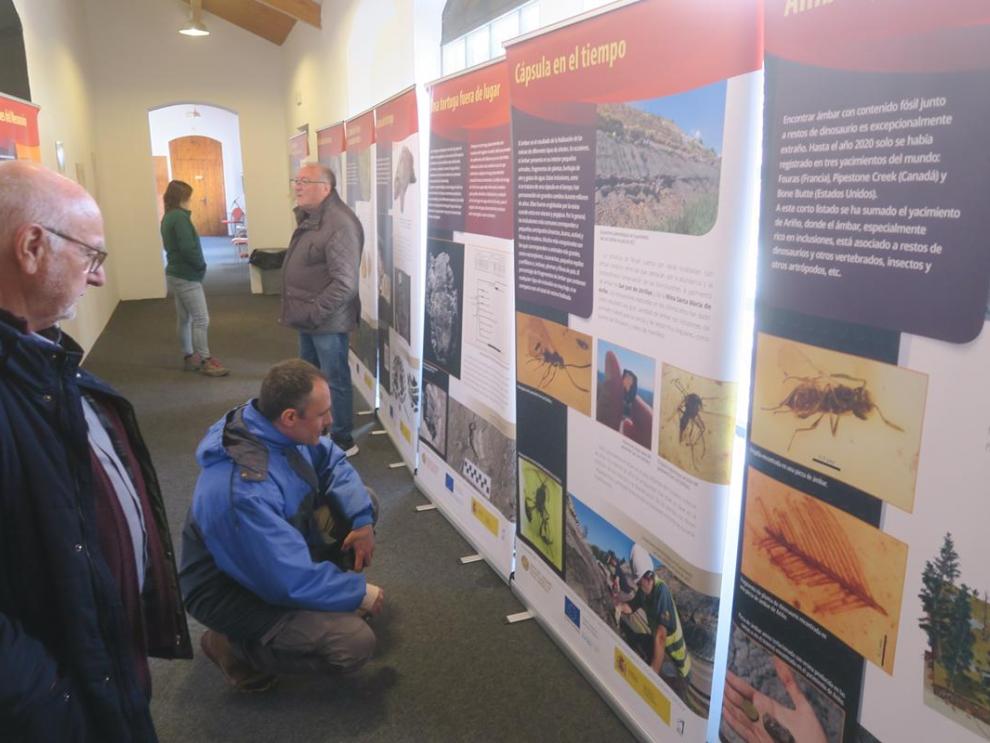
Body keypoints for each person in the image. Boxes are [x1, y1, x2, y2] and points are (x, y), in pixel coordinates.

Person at [0, 160, 192, 740]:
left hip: (97, 670)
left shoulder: (38, 358)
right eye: (92, 256)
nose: (98, 278)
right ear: (32, 246)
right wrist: (55, 706)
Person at [179, 359, 384, 692]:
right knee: (353, 643)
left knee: (365, 502)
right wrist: (356, 592)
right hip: (229, 591)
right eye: (323, 415)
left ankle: (313, 607)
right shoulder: (245, 491)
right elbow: (284, 579)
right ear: (291, 417)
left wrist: (361, 521)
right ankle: (230, 645)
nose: (331, 421)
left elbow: (332, 461)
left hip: (269, 554)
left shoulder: (268, 422)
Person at [281, 162, 363, 456]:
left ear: (325, 188)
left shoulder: (339, 223)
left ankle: (342, 440)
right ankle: (317, 431)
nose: (297, 186)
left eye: (304, 181)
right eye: (297, 180)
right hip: (310, 319)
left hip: (325, 320)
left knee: (334, 379)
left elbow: (345, 284)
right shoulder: (315, 217)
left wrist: (314, 312)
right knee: (311, 378)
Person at [160, 179, 229, 377]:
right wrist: (200, 265)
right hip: (186, 275)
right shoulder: (180, 218)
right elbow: (187, 248)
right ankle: (206, 360)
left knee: (184, 319)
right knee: (201, 319)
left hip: (174, 272)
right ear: (183, 197)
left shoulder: (168, 217)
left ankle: (189, 356)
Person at [618, 544, 692, 687]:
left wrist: (653, 672)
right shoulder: (644, 592)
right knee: (636, 639)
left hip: (677, 665)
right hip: (663, 653)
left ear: (649, 576)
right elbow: (631, 606)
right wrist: (619, 607)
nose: (638, 587)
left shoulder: (661, 591)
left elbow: (661, 636)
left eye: (639, 583)